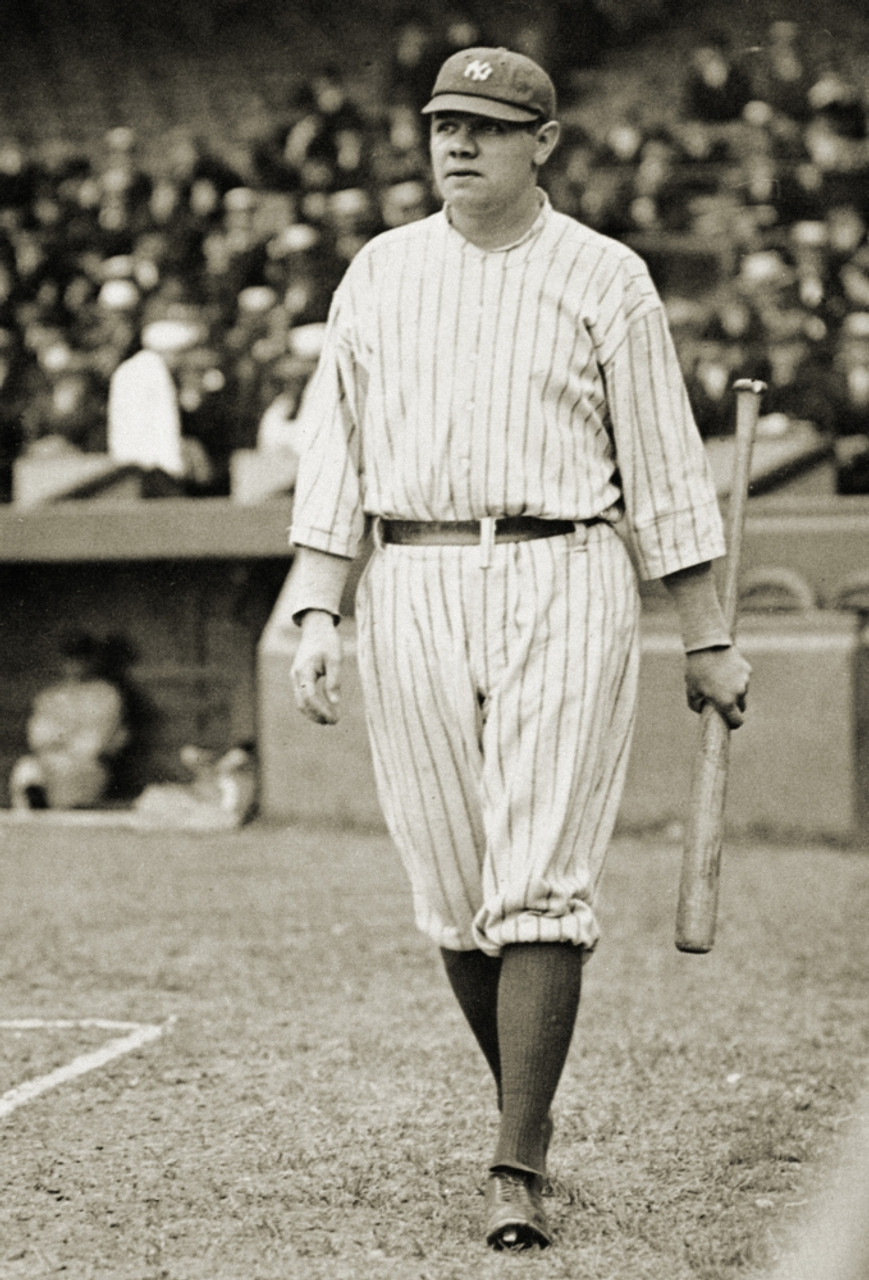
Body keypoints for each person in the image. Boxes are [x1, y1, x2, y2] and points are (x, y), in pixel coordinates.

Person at [282, 46, 751, 1251]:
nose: (458, 143)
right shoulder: (379, 271)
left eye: (488, 126)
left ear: (542, 142)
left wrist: (704, 632)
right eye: (444, 122)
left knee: (537, 877)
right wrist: (319, 610)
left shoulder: (605, 275)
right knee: (452, 890)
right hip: (415, 570)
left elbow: (659, 464)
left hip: (562, 565)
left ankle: (514, 1162)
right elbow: (333, 462)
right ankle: (525, 1107)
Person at [9, 630, 129, 810]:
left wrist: (60, 737)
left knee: (66, 777)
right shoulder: (51, 696)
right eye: (70, 658)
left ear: (91, 660)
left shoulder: (105, 695)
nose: (74, 665)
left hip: (87, 768)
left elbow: (94, 744)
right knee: (26, 771)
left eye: (81, 658)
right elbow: (38, 738)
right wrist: (66, 736)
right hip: (50, 763)